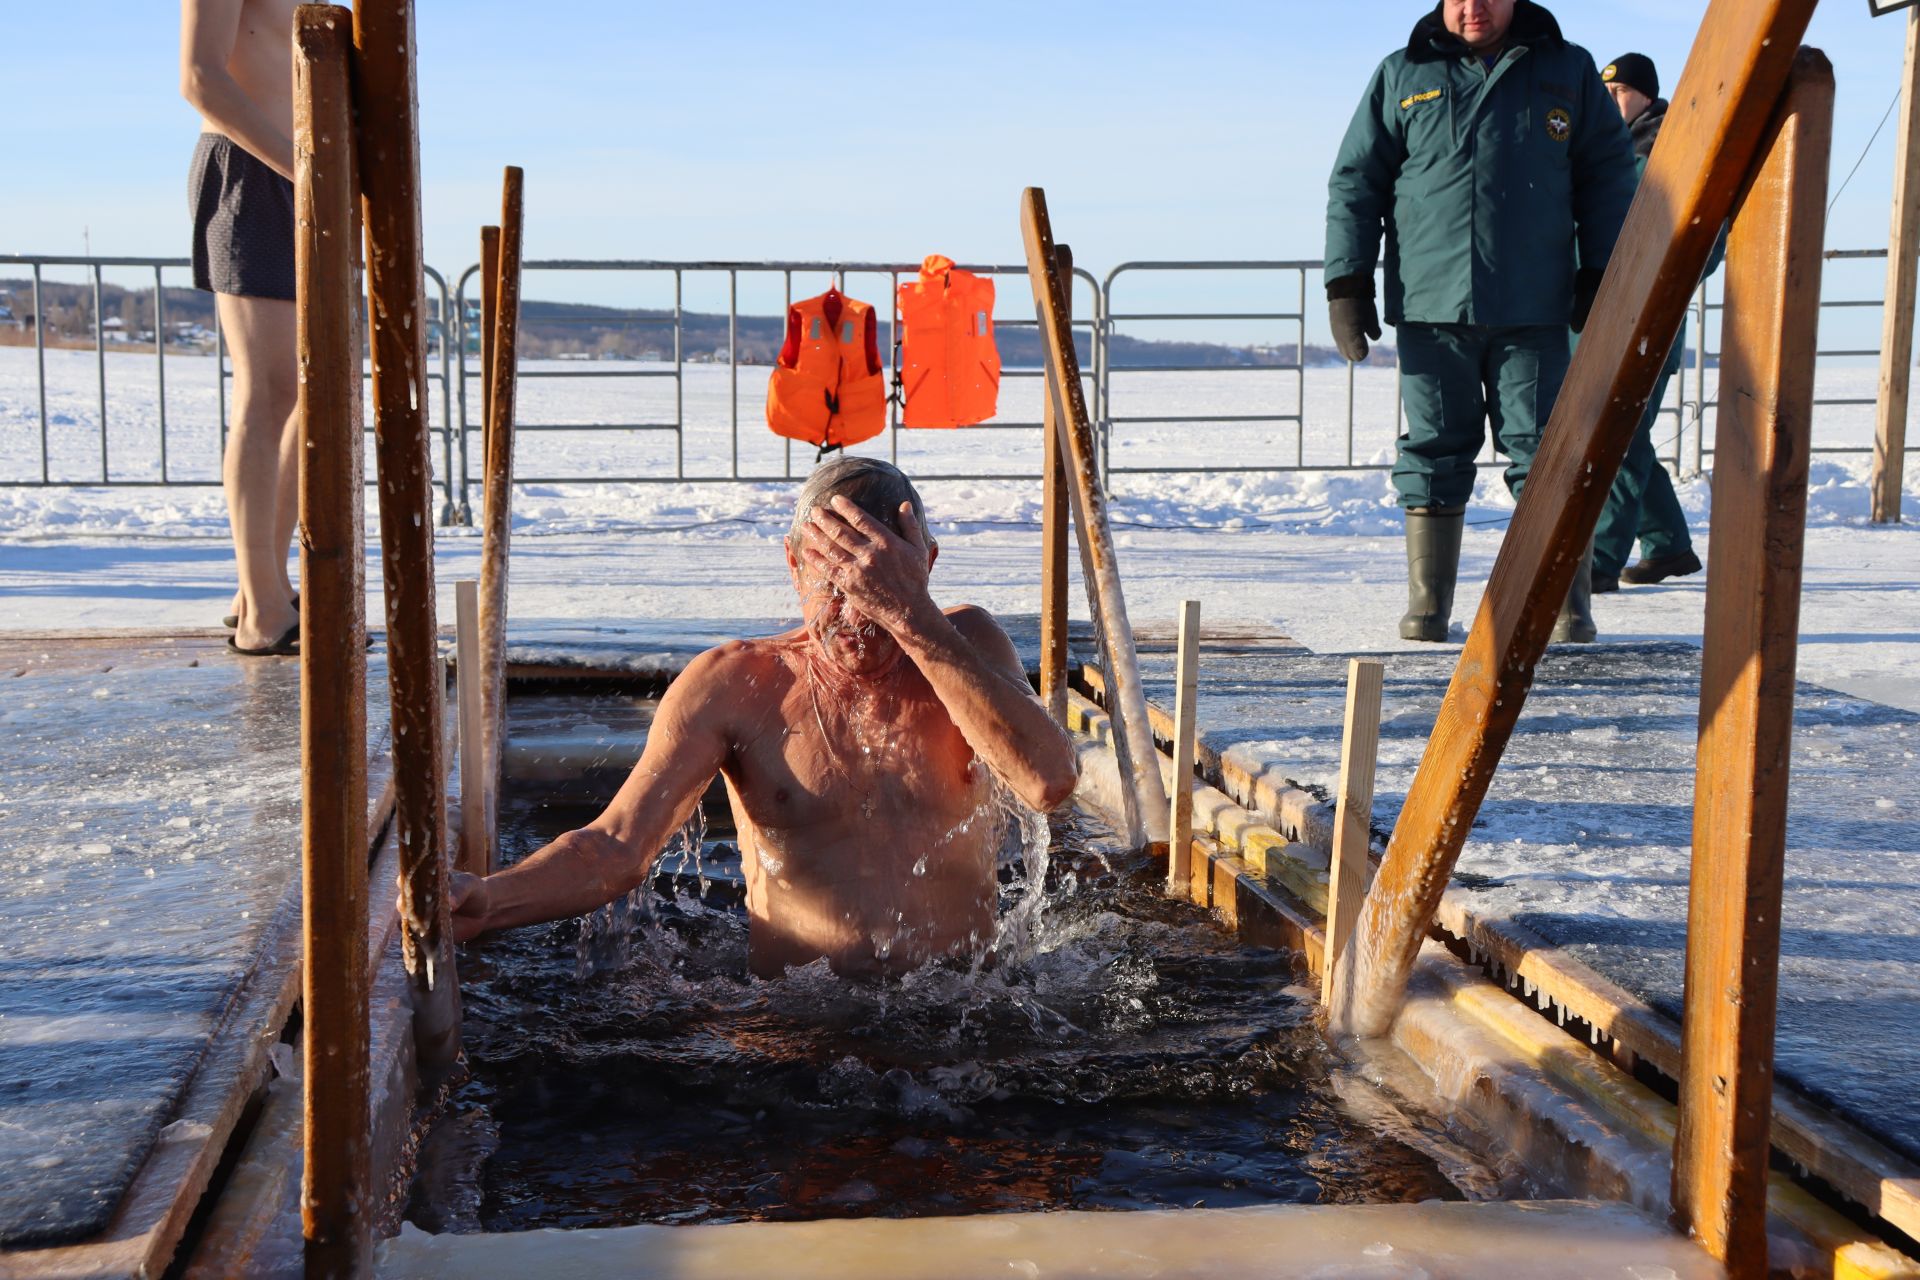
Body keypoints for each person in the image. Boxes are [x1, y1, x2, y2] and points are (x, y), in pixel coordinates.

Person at [447, 458, 1080, 979]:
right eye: (833, 586)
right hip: (794, 1026)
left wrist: (913, 617)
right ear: (793, 563)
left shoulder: (966, 646)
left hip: (960, 1018)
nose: (855, 616)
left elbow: (1048, 781)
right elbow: (616, 849)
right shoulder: (736, 683)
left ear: (925, 566)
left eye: (876, 590)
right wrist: (489, 901)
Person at [1325, 0, 1638, 644]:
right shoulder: (1401, 75)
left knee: (1549, 452)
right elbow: (1357, 182)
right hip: (1431, 305)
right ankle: (1428, 610)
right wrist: (1348, 281)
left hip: (1536, 306)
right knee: (1435, 451)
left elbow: (1609, 178)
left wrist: (1600, 273)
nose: (1472, 8)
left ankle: (1563, 607)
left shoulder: (1568, 70)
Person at [180, 0, 302, 656]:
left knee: (314, 392)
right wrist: (298, 167)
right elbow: (199, 75)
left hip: (301, 175)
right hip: (253, 172)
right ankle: (261, 610)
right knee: (270, 388)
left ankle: (264, 584)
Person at [1590, 53, 1707, 594]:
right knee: (1619, 427)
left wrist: (1662, 285)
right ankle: (1668, 546)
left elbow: (1706, 232)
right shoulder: (1603, 150)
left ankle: (1602, 557)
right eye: (1604, 92)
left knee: (1622, 429)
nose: (1611, 102)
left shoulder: (1671, 148)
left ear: (1646, 95)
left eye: (1621, 92)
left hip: (1650, 308)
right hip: (1605, 306)